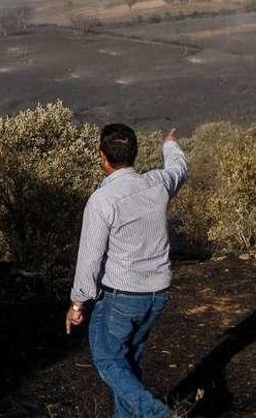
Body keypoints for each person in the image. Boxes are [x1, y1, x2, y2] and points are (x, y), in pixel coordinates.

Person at [66, 124, 189, 418]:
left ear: (102, 157)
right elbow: (178, 169)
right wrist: (170, 144)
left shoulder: (102, 200)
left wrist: (77, 303)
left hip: (122, 298)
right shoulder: (156, 184)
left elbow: (89, 260)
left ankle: (155, 413)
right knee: (128, 364)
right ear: (134, 153)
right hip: (157, 296)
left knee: (108, 360)